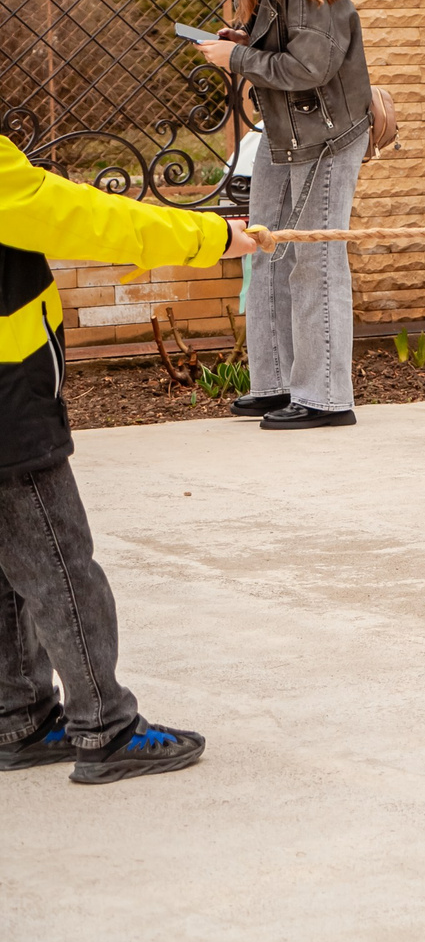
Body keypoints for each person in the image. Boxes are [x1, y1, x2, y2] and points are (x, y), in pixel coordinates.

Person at [0, 136, 252, 781]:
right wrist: (207, 239)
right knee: (59, 563)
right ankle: (104, 728)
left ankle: (19, 718)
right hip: (6, 396)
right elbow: (85, 217)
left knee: (9, 564)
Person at [193, 0, 374, 430]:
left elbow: (312, 66)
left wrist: (239, 59)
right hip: (285, 131)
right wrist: (245, 41)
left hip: (324, 135)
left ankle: (324, 397)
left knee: (315, 261)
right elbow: (296, 50)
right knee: (266, 250)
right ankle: (276, 385)